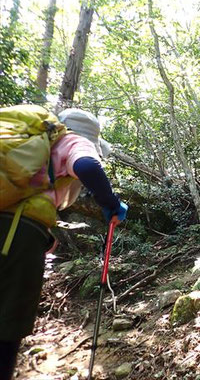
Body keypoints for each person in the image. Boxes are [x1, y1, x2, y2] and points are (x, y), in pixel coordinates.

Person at [0, 106, 128, 380]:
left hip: (16, 227)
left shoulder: (28, 143)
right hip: (18, 236)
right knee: (8, 325)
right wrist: (111, 204)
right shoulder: (70, 140)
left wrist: (44, 237)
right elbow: (87, 165)